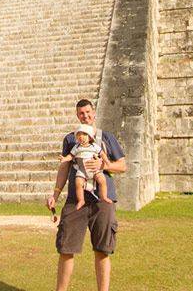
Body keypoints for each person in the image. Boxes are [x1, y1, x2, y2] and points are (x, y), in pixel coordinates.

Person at [46, 99, 126, 291]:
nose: (85, 116)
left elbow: (122, 166)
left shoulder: (106, 138)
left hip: (102, 201)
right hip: (76, 200)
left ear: (94, 112)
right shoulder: (71, 139)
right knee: (66, 248)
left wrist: (104, 165)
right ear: (77, 115)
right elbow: (64, 168)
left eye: (88, 112)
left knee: (102, 250)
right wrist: (55, 194)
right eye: (81, 113)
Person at [59, 124, 113, 210]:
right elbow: (71, 156)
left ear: (89, 137)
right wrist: (64, 159)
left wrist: (106, 162)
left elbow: (102, 154)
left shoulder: (94, 146)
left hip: (93, 170)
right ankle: (81, 200)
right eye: (79, 135)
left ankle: (104, 196)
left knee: (102, 180)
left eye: (83, 135)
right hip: (82, 170)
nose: (81, 137)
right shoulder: (77, 148)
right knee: (78, 182)